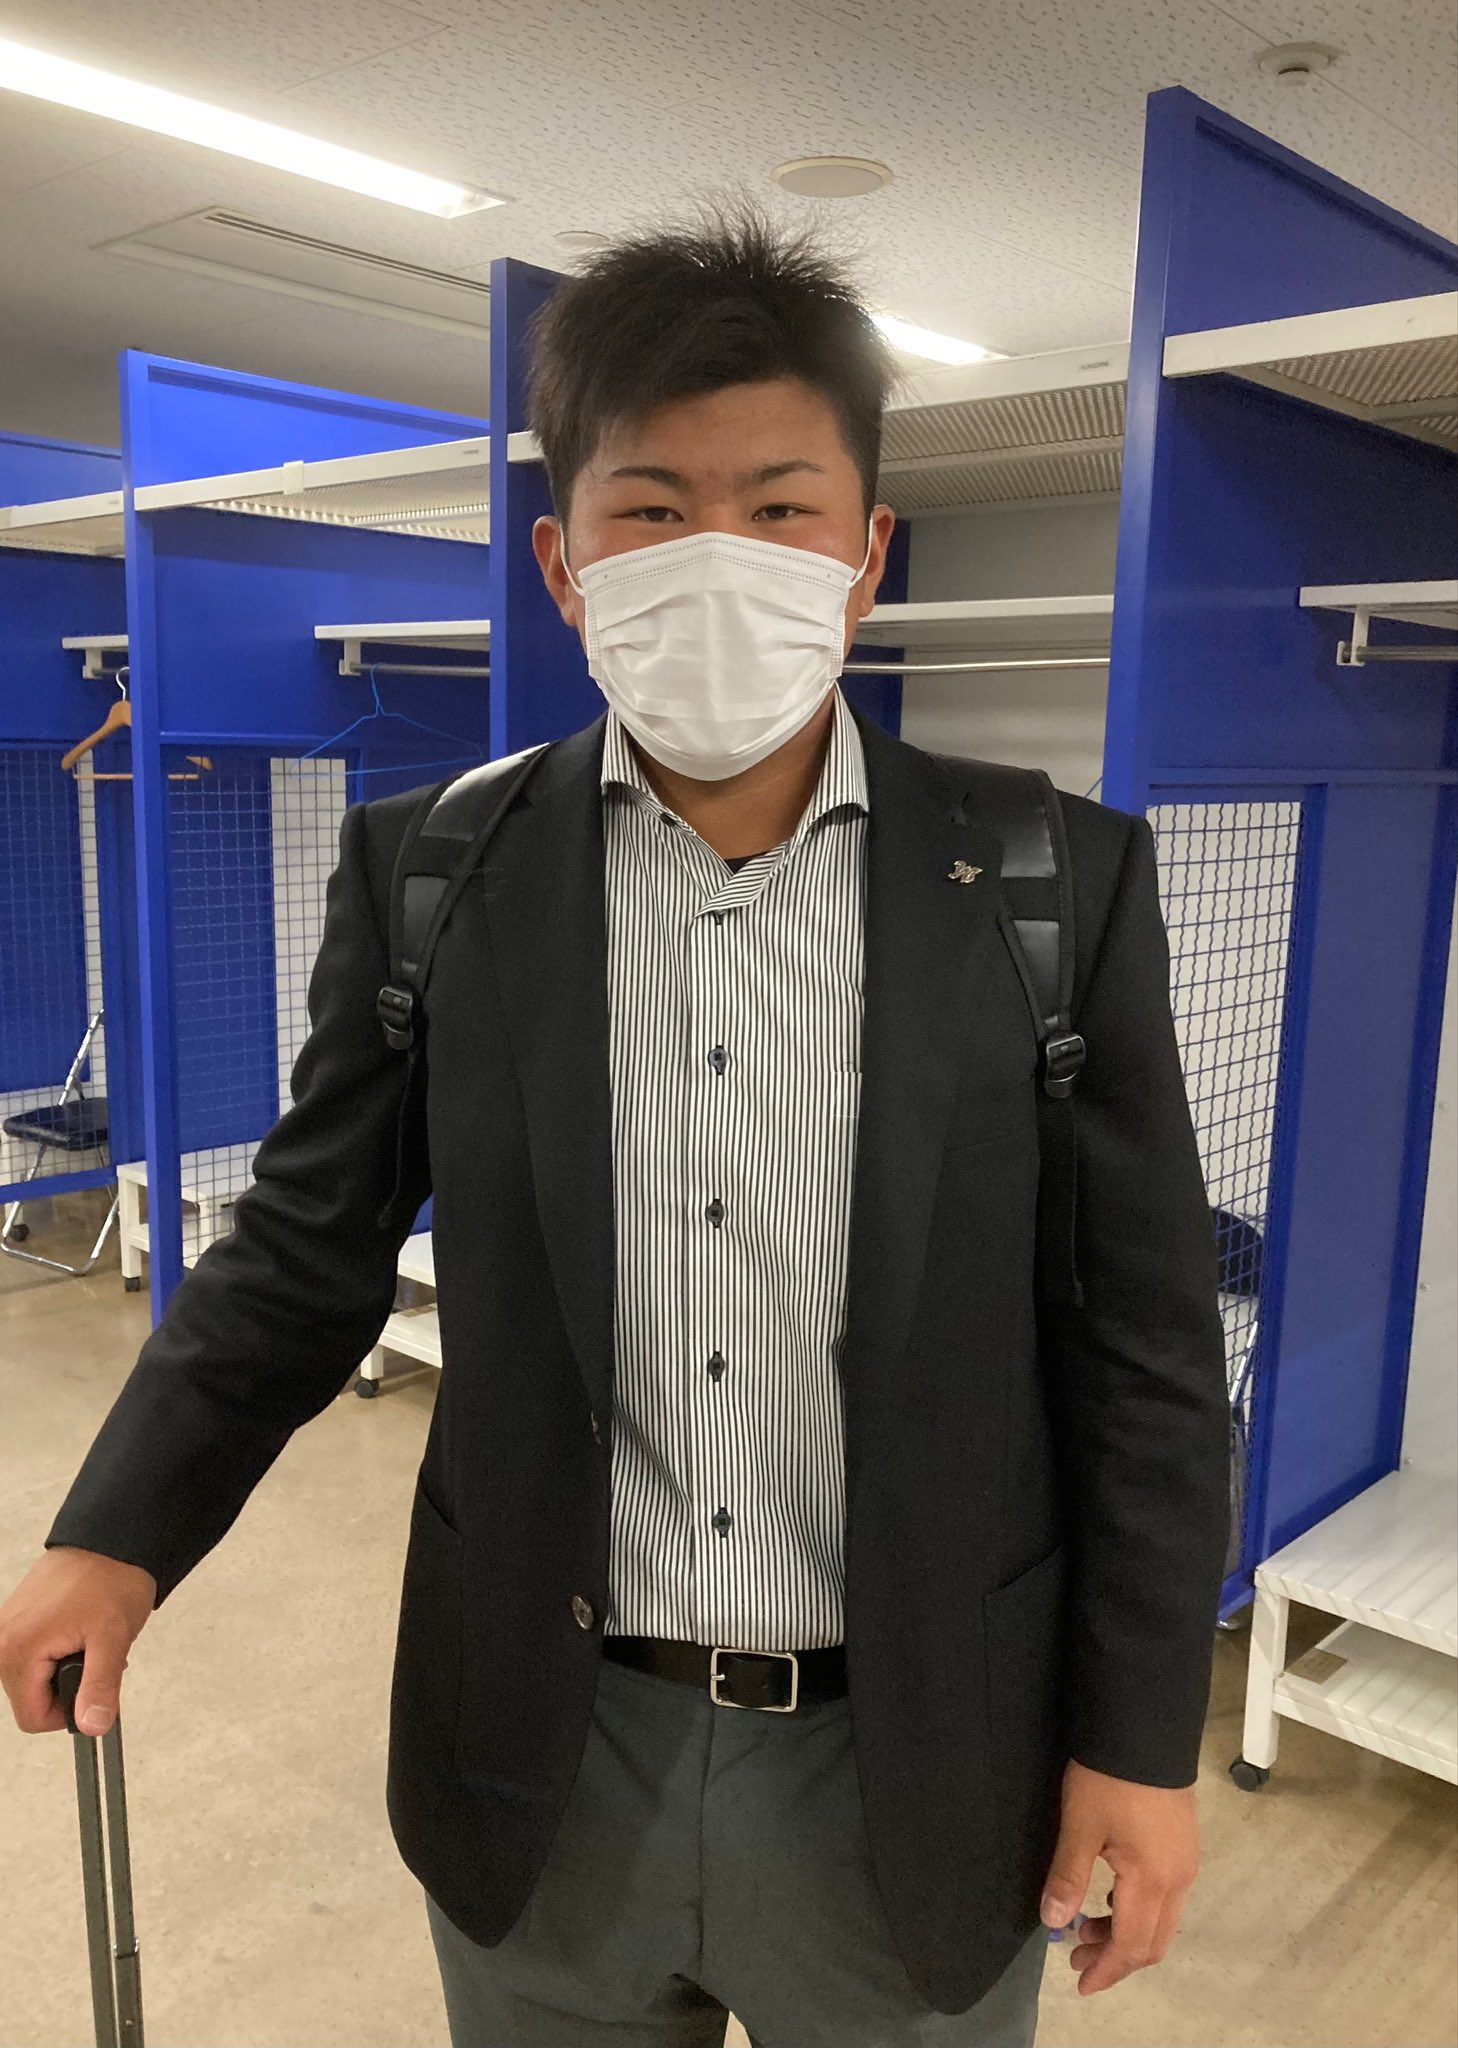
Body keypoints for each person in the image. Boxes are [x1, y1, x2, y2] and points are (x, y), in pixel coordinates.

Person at [0, 214, 1230, 2047]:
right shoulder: (434, 873)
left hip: (918, 1762)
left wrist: (1138, 1739)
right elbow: (309, 1250)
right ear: (561, 563)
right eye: (650, 509)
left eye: (781, 507)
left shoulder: (1052, 881)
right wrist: (119, 1530)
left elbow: (1143, 1347)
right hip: (544, 1752)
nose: (717, 558)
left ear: (866, 554)